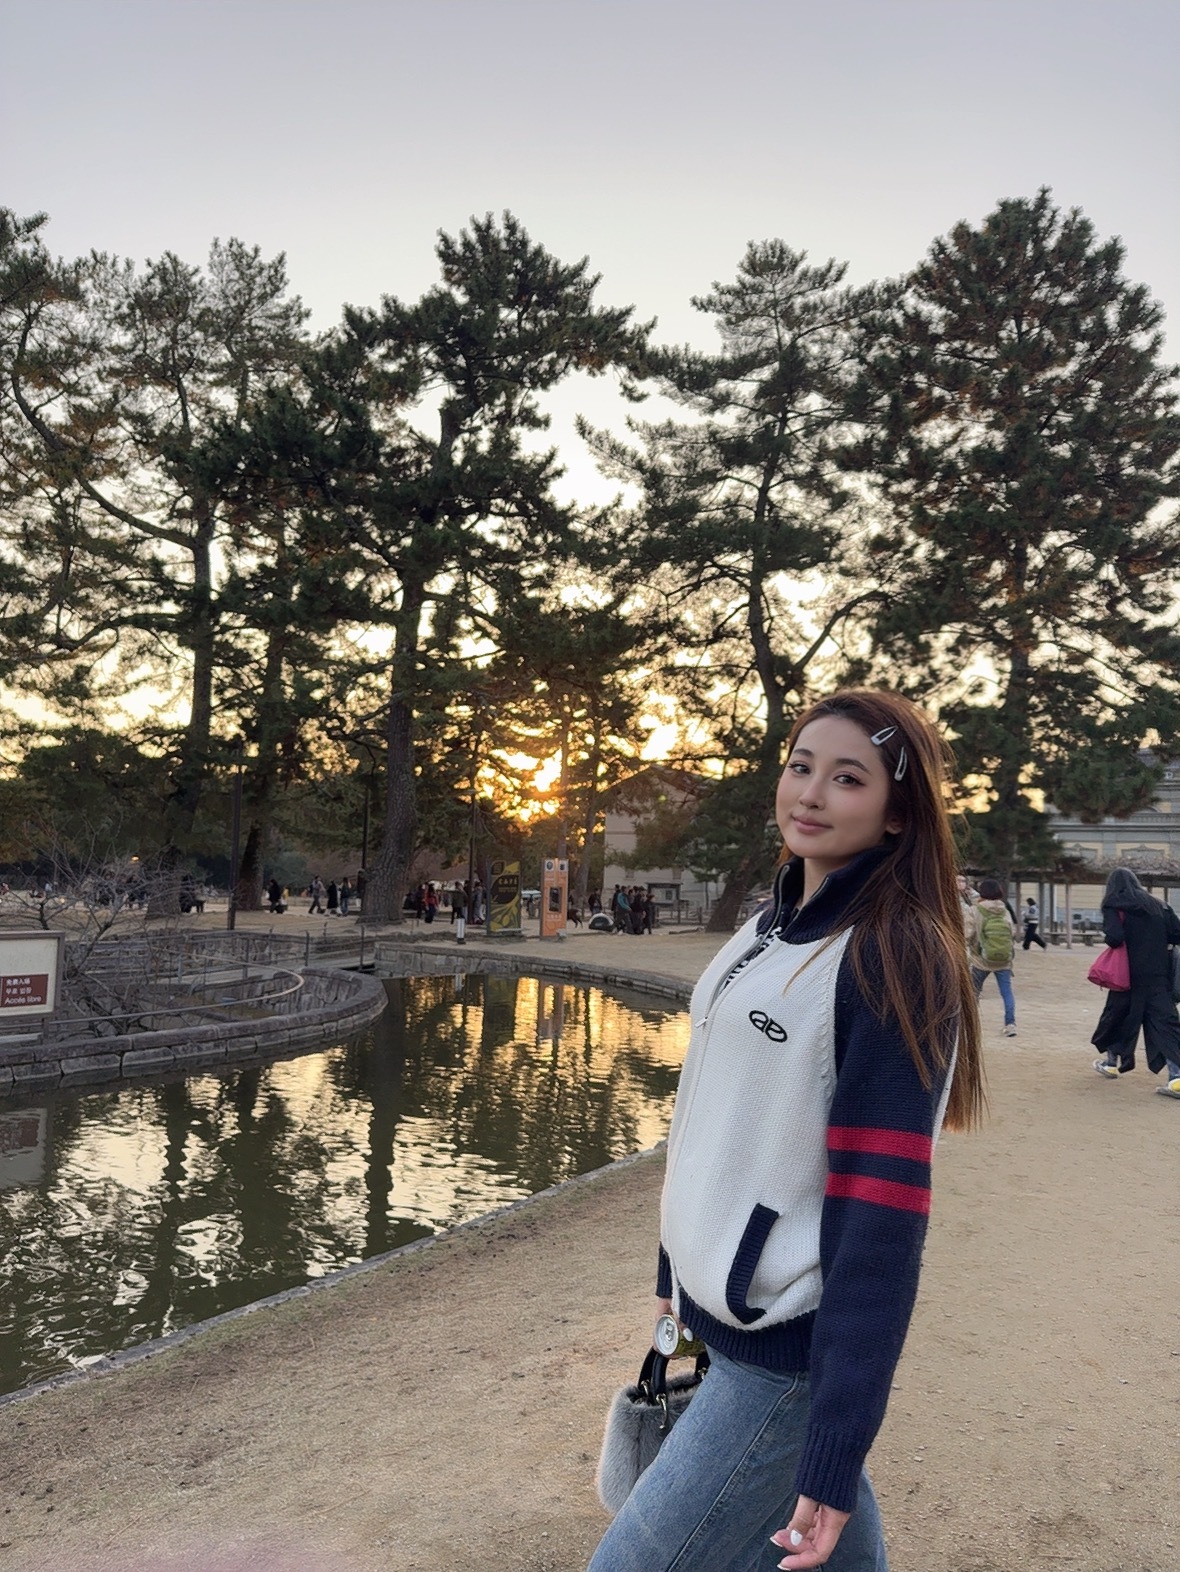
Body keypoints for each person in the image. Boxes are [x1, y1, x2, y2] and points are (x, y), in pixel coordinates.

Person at [586, 689, 984, 1572]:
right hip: (722, 1319)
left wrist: (835, 1453)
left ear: (896, 813)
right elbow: (710, 1120)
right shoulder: (764, 930)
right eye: (801, 767)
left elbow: (880, 1219)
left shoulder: (893, 954)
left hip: (785, 1360)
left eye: (847, 778)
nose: (810, 793)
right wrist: (675, 1279)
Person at [1091, 867, 1180, 1096]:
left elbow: (1115, 938)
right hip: (1157, 977)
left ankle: (1111, 1064)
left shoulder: (1113, 905)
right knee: (1166, 1025)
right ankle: (1176, 1078)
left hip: (1126, 977)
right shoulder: (1158, 905)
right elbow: (1177, 934)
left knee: (1116, 1018)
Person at [969, 877, 1018, 1036]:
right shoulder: (1004, 910)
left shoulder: (975, 910)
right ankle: (1010, 1024)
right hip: (1003, 959)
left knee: (973, 992)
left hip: (981, 959)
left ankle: (970, 1024)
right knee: (1006, 993)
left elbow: (968, 933)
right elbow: (1012, 932)